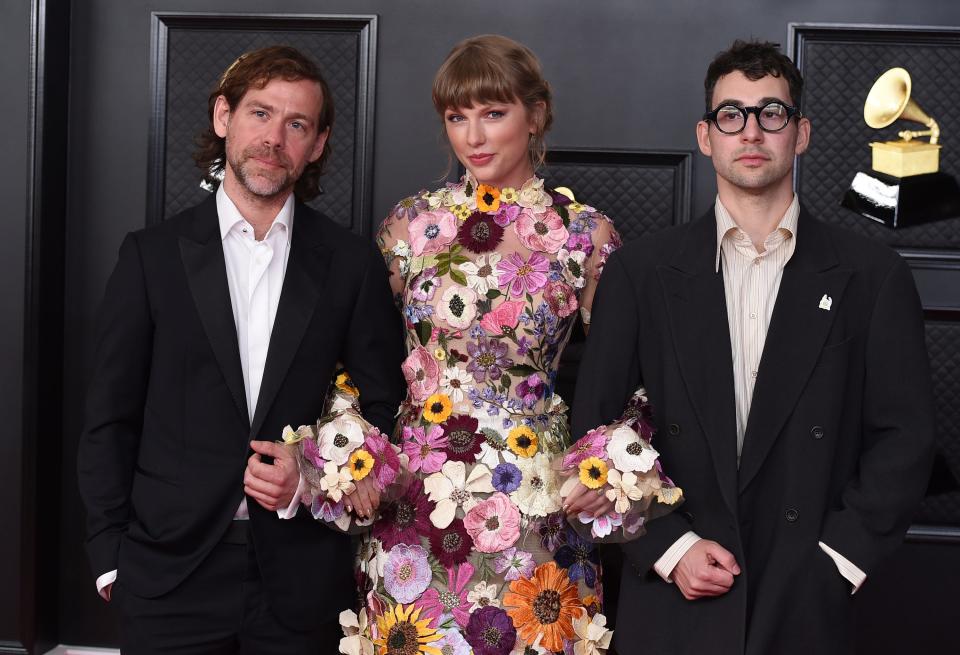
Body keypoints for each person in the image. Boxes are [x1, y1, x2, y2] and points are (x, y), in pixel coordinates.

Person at [571, 39, 935, 655]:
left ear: (802, 133)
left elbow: (906, 436)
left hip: (804, 593)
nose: (752, 131)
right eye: (731, 114)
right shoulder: (642, 271)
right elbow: (592, 428)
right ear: (706, 135)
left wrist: (839, 561)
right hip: (675, 595)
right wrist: (668, 547)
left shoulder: (872, 275)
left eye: (772, 113)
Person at [76, 45, 405, 654]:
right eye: (260, 113)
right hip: (167, 577)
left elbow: (385, 408)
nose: (274, 137)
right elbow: (108, 420)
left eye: (297, 124)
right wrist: (110, 559)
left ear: (318, 143)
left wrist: (309, 473)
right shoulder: (150, 257)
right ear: (224, 117)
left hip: (302, 580)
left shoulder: (350, 264)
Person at [350, 34, 632, 654]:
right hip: (416, 500)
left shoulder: (583, 234)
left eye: (493, 113)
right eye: (457, 117)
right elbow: (353, 358)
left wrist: (611, 459)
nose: (473, 137)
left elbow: (638, 372)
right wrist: (351, 446)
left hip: (536, 496)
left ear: (535, 116)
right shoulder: (411, 225)